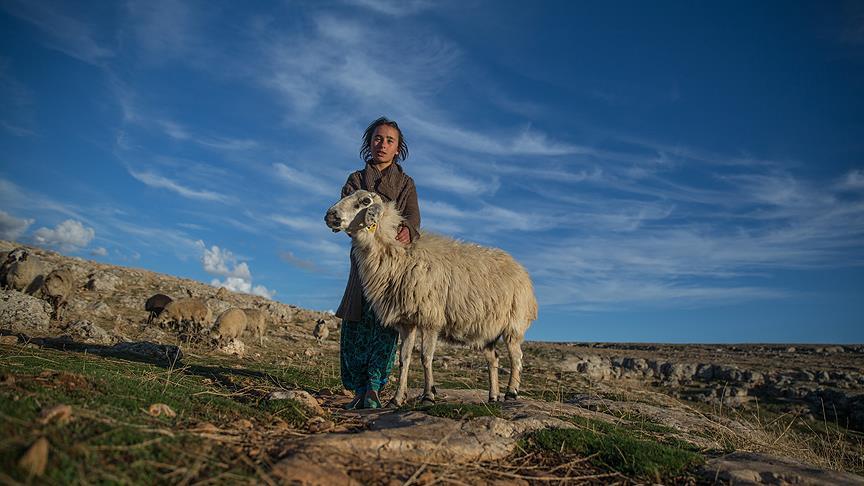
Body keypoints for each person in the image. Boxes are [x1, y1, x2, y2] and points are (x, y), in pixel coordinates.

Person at [336, 117, 421, 409]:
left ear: (398, 148)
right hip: (362, 260)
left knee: (386, 323)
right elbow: (344, 212)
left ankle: (374, 387)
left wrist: (407, 230)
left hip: (392, 263)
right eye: (377, 139)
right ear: (369, 143)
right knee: (356, 320)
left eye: (389, 140)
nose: (382, 144)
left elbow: (413, 217)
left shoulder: (406, 184)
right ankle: (359, 387)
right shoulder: (356, 180)